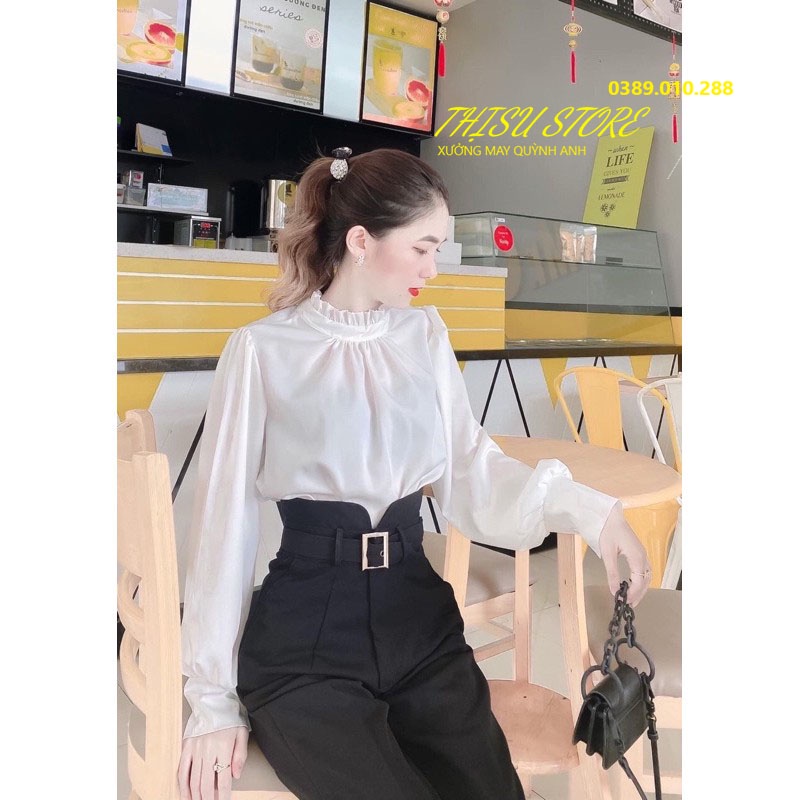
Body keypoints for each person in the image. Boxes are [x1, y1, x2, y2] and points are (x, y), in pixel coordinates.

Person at [177, 147, 651, 800]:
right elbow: (222, 523)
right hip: (304, 641)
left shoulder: (424, 336)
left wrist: (594, 512)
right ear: (361, 241)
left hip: (419, 625)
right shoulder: (263, 350)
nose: (433, 268)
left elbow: (473, 473)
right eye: (423, 248)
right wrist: (210, 699)